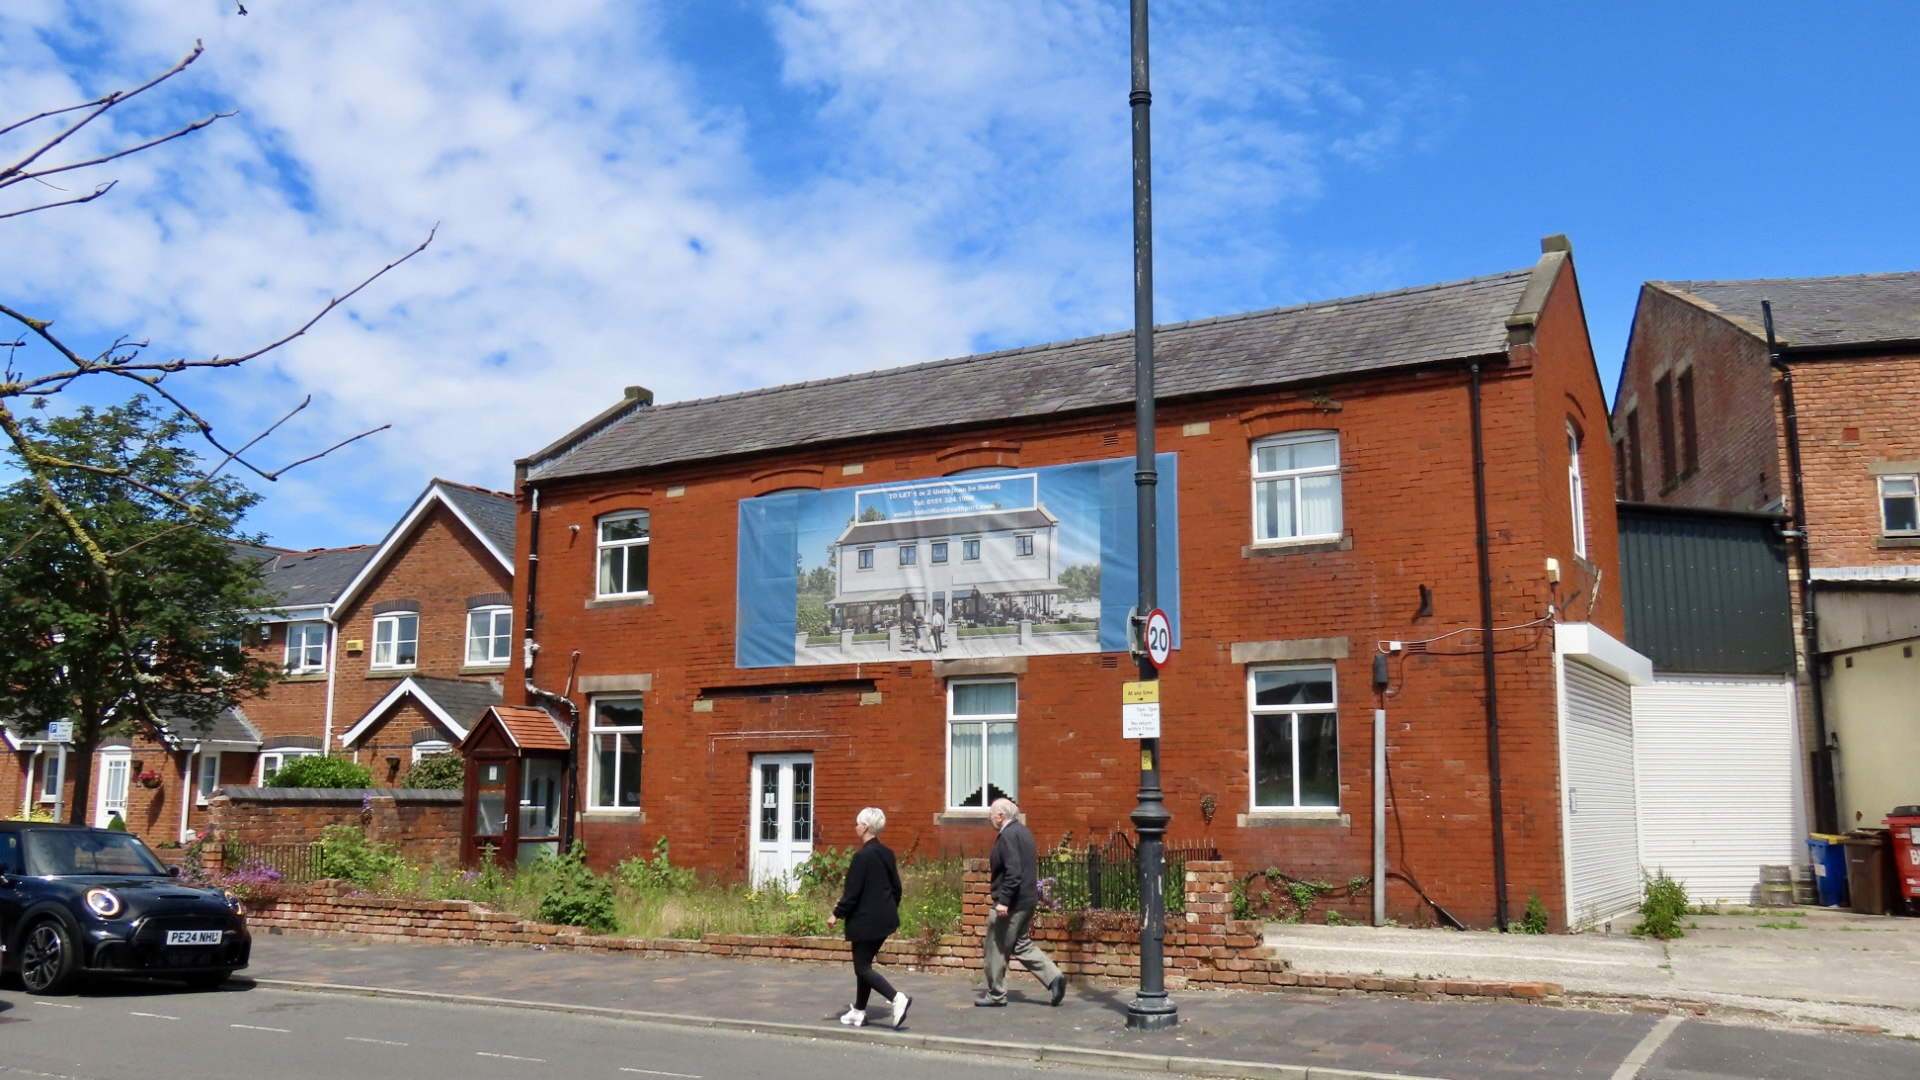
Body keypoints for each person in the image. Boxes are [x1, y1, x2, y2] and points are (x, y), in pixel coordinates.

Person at [976, 796, 1065, 1007]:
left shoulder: (1007, 836)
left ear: (1001, 816)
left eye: (991, 814)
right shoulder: (1023, 832)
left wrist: (1004, 901)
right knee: (1021, 943)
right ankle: (1054, 977)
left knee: (995, 946)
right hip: (1027, 900)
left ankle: (996, 994)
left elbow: (1013, 872)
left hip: (1013, 903)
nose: (989, 818)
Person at [827, 806, 911, 1028]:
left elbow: (852, 893)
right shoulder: (887, 853)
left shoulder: (862, 856)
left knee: (862, 967)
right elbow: (897, 888)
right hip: (885, 920)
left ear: (864, 827)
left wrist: (837, 913)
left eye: (857, 823)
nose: (855, 827)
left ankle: (896, 998)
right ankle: (858, 1010)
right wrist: (889, 909)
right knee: (863, 964)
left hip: (865, 921)